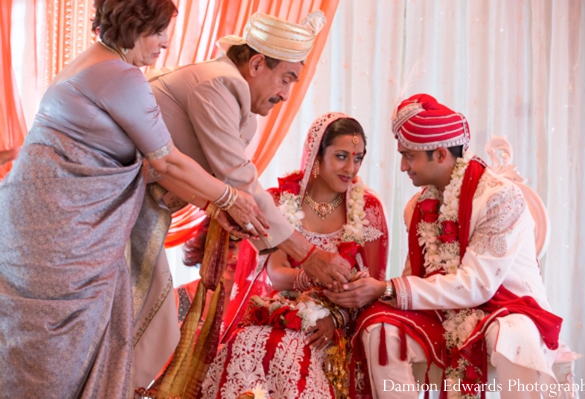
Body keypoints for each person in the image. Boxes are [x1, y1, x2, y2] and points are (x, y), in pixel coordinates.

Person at [0, 0, 268, 397]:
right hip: (60, 242)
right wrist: (231, 197)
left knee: (31, 347)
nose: (165, 43)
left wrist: (215, 203)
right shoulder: (121, 77)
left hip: (32, 227)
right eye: (159, 31)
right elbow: (169, 161)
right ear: (134, 24)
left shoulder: (90, 61)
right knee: (57, 358)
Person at [324, 94, 564, 398]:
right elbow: (417, 276)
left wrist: (386, 289)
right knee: (379, 328)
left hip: (507, 306)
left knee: (514, 337)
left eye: (408, 156)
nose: (402, 167)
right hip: (444, 310)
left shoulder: (499, 198)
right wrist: (369, 292)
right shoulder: (417, 205)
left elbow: (477, 285)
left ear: (439, 155)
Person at [149, 11, 354, 289]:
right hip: (114, 205)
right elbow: (238, 181)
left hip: (143, 215)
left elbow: (226, 191)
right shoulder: (219, 82)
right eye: (286, 79)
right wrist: (309, 256)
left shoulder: (244, 113)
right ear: (256, 64)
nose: (285, 95)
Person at [200, 113, 389, 399]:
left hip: (337, 324)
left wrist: (334, 318)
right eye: (341, 156)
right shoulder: (280, 201)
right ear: (317, 153)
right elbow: (277, 275)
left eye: (358, 158)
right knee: (246, 341)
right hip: (284, 311)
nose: (351, 168)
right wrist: (312, 276)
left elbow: (370, 287)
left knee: (294, 348)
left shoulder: (367, 209)